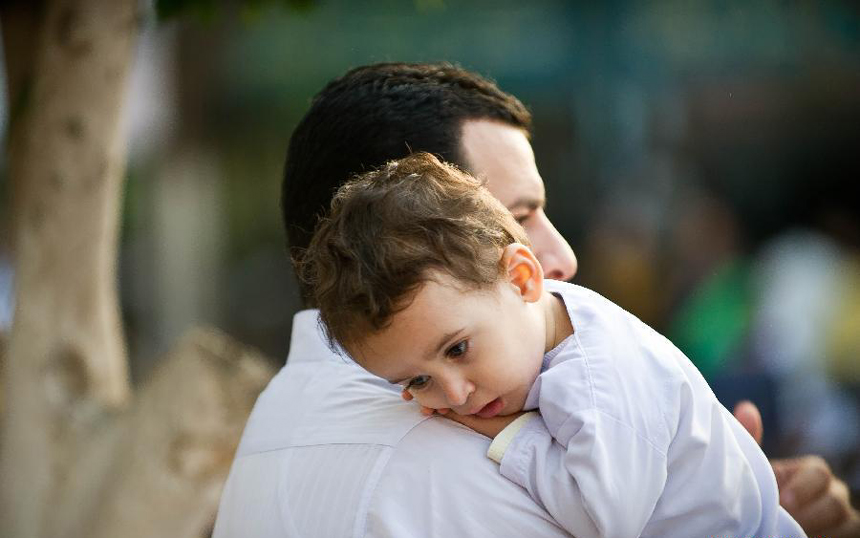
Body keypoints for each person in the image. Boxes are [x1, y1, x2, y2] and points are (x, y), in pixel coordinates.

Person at [213, 62, 860, 538]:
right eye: (516, 217)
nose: (565, 258)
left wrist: (703, 484)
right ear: (389, 223)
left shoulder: (277, 426)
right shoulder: (443, 467)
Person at [299, 151, 805, 538]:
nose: (455, 395)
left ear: (522, 278)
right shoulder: (537, 324)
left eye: (457, 350)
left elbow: (602, 516)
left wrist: (510, 435)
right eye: (417, 381)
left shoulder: (596, 377)